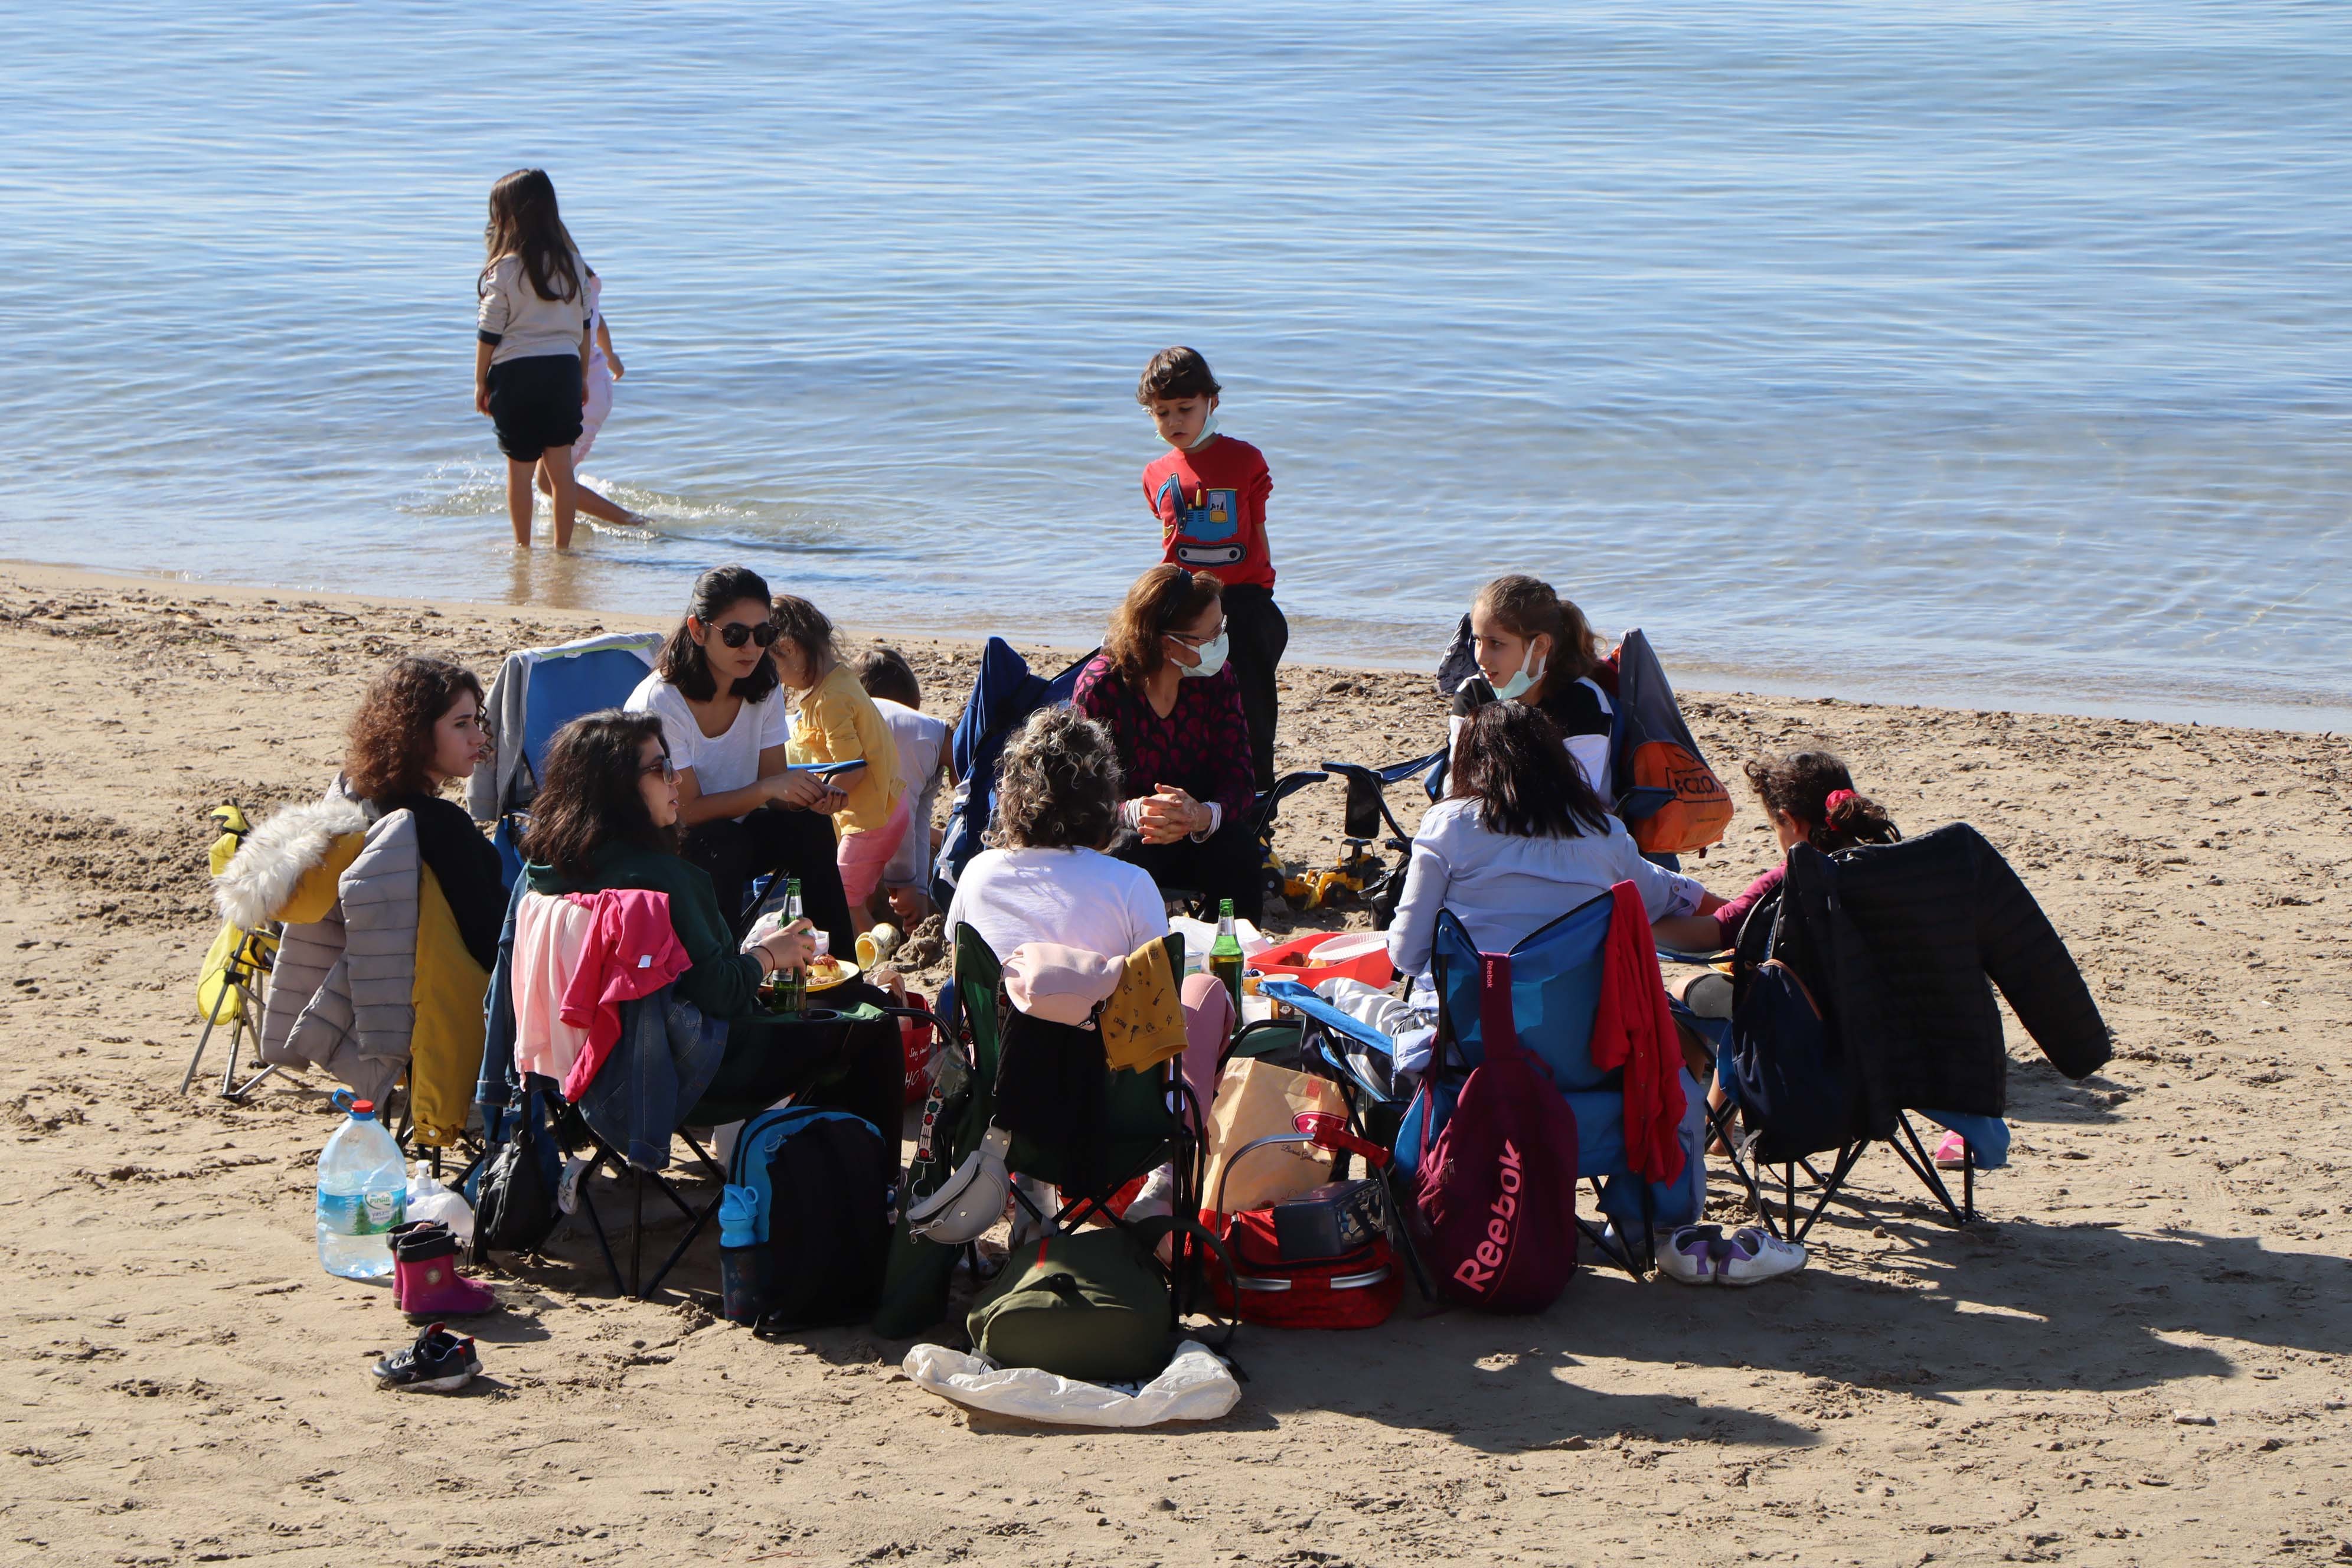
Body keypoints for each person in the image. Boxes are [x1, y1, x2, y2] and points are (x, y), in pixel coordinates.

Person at [518, 710, 901, 1137]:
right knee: (873, 1010)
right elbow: (720, 994)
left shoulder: (542, 878)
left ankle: (819, 1151)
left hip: (595, 1070)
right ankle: (859, 1166)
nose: (677, 779)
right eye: (661, 769)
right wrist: (769, 955)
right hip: (703, 1073)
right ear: (619, 788)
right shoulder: (662, 880)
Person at [940, 705, 1227, 1230]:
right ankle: (1163, 1186)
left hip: (1006, 1107)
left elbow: (962, 982)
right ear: (1104, 801)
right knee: (1206, 991)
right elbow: (1157, 1004)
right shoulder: (1129, 884)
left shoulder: (977, 876)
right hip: (1114, 1118)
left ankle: (1034, 1194)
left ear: (1013, 799)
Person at [214, 657, 503, 1146]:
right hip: (449, 1018)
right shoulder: (440, 829)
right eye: (461, 724)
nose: (479, 738)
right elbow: (494, 946)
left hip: (372, 1014)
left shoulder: (354, 804)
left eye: (478, 721)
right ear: (416, 734)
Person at [1677, 750, 1903, 1153]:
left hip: (1798, 1033)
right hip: (1881, 1037)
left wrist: (1637, 919)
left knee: (1685, 993)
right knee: (1747, 995)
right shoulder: (1886, 869)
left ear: (1791, 821)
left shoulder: (1787, 880)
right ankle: (1717, 1128)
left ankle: (1692, 1129)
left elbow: (1714, 932)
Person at [1389, 701, 1711, 980]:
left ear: (1469, 764)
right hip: (1575, 1026)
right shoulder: (1604, 833)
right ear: (1557, 761)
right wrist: (1730, 913)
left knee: (1354, 997)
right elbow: (1666, 893)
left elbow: (1407, 956)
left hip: (1465, 1024)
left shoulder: (1450, 824)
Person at [623, 566, 855, 953]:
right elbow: (686, 811)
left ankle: (838, 970)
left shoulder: (763, 685)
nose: (751, 648)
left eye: (763, 635)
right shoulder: (662, 700)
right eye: (735, 636)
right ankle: (727, 972)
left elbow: (773, 784)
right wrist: (768, 789)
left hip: (733, 835)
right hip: (664, 845)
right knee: (724, 842)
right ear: (698, 631)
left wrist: (807, 796)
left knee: (810, 828)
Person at [1071, 564, 1262, 924]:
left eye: (1221, 628)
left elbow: (1240, 777)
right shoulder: (1103, 687)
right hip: (1128, 832)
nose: (1220, 641)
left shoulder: (1217, 678)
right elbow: (1080, 796)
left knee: (1240, 848)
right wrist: (1136, 812)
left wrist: (1202, 815)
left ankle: (1233, 952)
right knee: (1125, 852)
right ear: (1164, 641)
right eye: (1209, 636)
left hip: (1197, 829)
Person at [1138, 347, 1286, 792]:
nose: (1174, 422)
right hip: (1182, 605)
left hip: (1243, 600)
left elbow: (1257, 528)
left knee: (1251, 709)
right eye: (1162, 413)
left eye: (1185, 409)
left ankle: (1257, 799)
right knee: (1184, 703)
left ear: (1212, 403)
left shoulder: (1245, 459)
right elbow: (1171, 541)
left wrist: (1261, 593)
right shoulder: (1155, 473)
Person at [474, 169, 592, 550]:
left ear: (509, 215)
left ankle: (523, 549)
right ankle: (563, 550)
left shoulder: (505, 268)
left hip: (516, 374)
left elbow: (489, 331)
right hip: (563, 371)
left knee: (520, 473)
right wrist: (582, 376)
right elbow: (585, 326)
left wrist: (480, 382)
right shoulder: (573, 264)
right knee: (561, 471)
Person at [770, 597, 907, 923]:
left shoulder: (830, 700)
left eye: (773, 666)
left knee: (844, 902)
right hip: (888, 805)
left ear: (789, 648)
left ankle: (867, 953)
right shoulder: (841, 678)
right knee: (857, 892)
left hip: (870, 819)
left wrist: (815, 799)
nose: (777, 680)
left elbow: (852, 768)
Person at [1449, 574, 1616, 802]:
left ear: (1540, 645)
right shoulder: (1473, 693)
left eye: (1495, 643)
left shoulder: (1583, 702)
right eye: (1478, 641)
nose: (1481, 657)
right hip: (1490, 814)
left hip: (1568, 819)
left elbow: (1580, 799)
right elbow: (1458, 788)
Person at [533, 266, 646, 528]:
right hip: (596, 387)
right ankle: (575, 528)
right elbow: (598, 320)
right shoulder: (581, 279)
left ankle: (634, 522)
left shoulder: (560, 285)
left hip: (582, 394)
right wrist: (612, 356)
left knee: (549, 481)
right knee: (558, 475)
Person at [852, 645, 958, 925]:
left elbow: (920, 820)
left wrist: (919, 891)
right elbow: (902, 817)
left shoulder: (932, 748)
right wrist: (905, 883)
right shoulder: (919, 741)